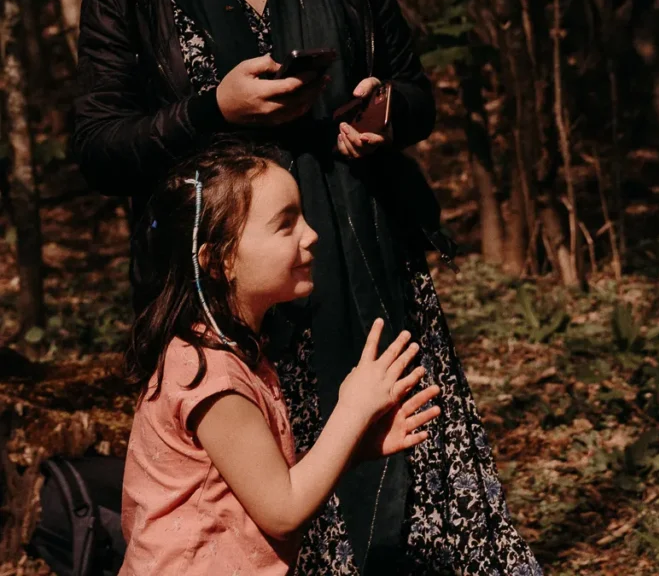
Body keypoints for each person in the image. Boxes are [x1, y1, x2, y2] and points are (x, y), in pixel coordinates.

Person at [74, 0, 543, 575]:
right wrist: (210, 110)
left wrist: (383, 112)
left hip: (363, 252)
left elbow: (415, 92)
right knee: (282, 512)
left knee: (415, 486)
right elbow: (98, 146)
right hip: (238, 284)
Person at [120, 142, 440, 576]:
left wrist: (353, 447)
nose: (311, 235)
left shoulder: (232, 350)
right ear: (220, 260)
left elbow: (260, 482)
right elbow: (283, 509)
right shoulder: (208, 375)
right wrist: (352, 409)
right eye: (285, 224)